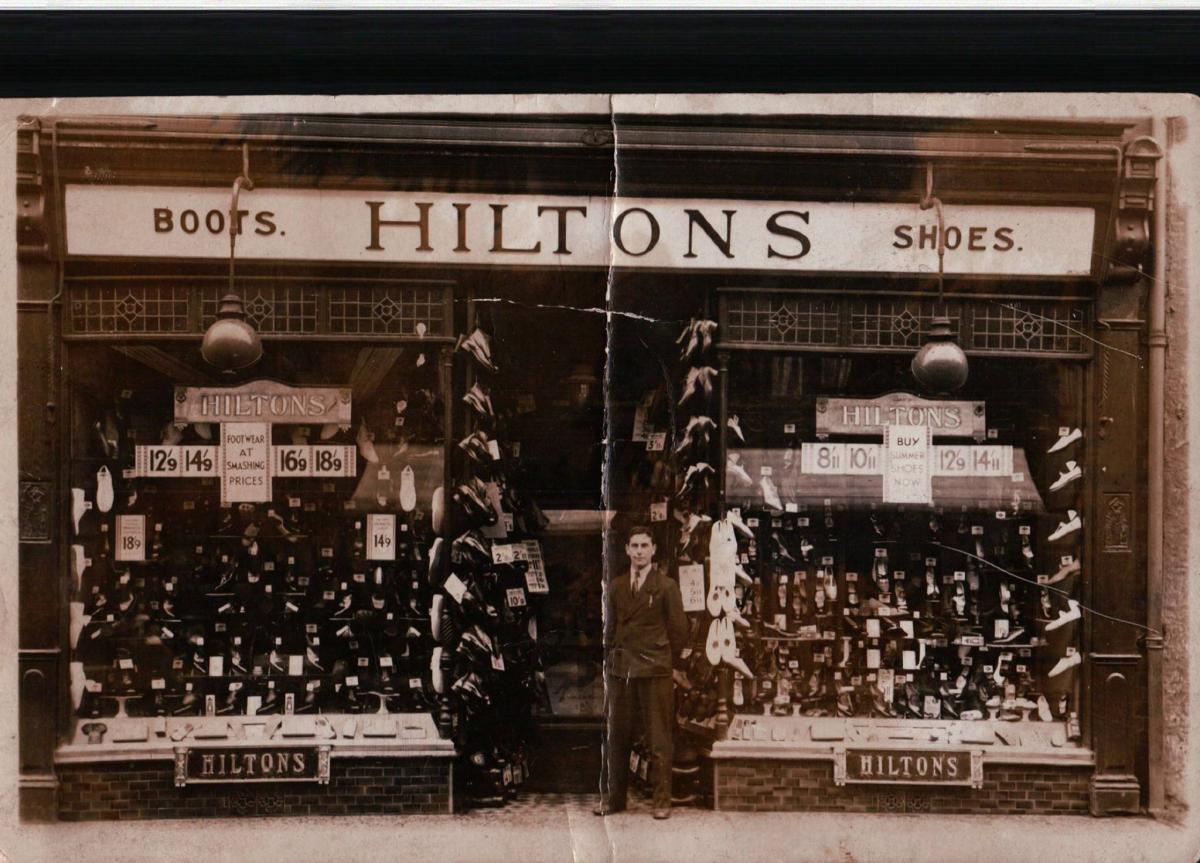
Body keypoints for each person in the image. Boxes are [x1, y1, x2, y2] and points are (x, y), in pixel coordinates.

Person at [594, 525, 689, 820]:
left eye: (644, 546)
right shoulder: (617, 586)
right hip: (623, 670)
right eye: (633, 546)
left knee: (658, 738)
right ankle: (615, 799)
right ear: (626, 550)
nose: (638, 551)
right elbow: (609, 629)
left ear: (653, 549)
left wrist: (668, 661)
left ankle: (661, 802)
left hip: (655, 669)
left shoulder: (667, 586)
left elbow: (679, 631)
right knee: (617, 737)